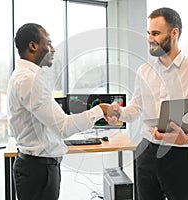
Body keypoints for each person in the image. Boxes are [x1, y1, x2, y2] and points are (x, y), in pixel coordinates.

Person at [107, 7, 188, 200]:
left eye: (156, 33)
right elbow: (135, 109)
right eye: (149, 33)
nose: (150, 38)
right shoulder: (144, 71)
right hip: (146, 152)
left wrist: (187, 139)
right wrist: (119, 113)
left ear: (174, 33)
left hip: (180, 158)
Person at [7, 23, 110, 200]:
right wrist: (100, 110)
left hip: (38, 167)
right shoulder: (29, 80)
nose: (53, 49)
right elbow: (63, 127)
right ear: (33, 46)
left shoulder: (25, 77)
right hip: (38, 171)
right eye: (48, 43)